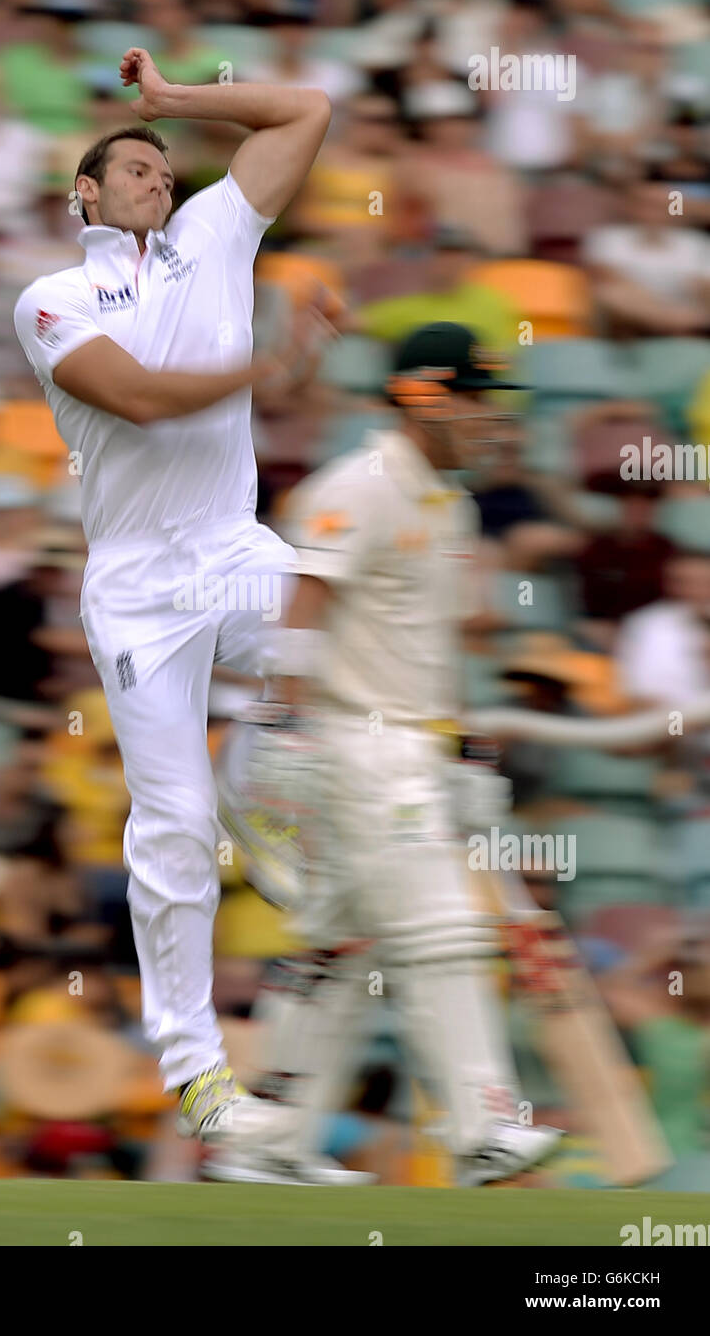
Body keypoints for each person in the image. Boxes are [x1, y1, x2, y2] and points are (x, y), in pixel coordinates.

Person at [13, 46, 332, 1143]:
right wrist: (268, 371)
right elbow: (141, 401)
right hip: (139, 591)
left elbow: (304, 107)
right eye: (131, 165)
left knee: (336, 620)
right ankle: (199, 1076)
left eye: (164, 164)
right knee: (174, 825)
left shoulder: (212, 232)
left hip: (227, 548)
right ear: (84, 195)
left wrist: (175, 100)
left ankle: (263, 769)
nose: (156, 175)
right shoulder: (50, 298)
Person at [213, 322, 563, 1183]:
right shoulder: (357, 487)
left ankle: (269, 1144)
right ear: (422, 398)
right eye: (474, 400)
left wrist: (463, 755)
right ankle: (480, 1126)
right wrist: (287, 729)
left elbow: (426, 650)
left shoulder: (453, 504)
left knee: (340, 945)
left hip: (408, 749)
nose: (489, 420)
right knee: (439, 927)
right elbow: (302, 606)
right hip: (351, 747)